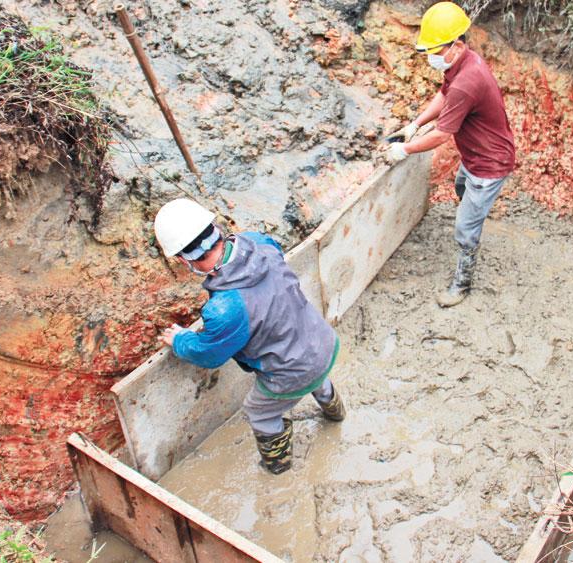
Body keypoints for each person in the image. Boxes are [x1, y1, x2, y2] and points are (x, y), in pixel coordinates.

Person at [154, 198, 345, 474]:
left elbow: (210, 354)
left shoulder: (225, 309)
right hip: (320, 341)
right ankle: (336, 413)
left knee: (259, 411)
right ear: (216, 228)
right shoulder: (258, 242)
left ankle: (277, 467)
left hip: (292, 370)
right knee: (315, 373)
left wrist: (180, 341)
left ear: (184, 260)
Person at [384, 1, 516, 307]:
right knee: (460, 187)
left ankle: (462, 283)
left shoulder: (467, 83)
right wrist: (414, 125)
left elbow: (443, 134)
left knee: (464, 228)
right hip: (475, 155)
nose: (431, 57)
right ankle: (474, 211)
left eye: (435, 50)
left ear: (455, 45)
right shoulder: (463, 63)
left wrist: (403, 149)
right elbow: (444, 95)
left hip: (489, 164)